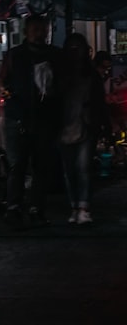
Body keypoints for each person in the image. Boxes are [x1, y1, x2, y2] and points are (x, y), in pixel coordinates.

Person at [0, 14, 62, 228]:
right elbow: (1, 83)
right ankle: (13, 208)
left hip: (45, 118)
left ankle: (36, 208)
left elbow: (63, 85)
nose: (40, 33)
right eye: (35, 29)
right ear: (26, 32)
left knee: (41, 167)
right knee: (17, 165)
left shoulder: (55, 56)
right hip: (18, 117)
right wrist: (7, 93)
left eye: (42, 29)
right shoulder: (15, 56)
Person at [56, 34, 108, 225]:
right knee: (69, 169)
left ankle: (83, 207)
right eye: (72, 48)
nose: (75, 52)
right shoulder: (60, 74)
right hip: (65, 125)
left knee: (82, 167)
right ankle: (75, 206)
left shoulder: (91, 74)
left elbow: (99, 102)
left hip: (86, 124)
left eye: (78, 48)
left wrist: (103, 124)